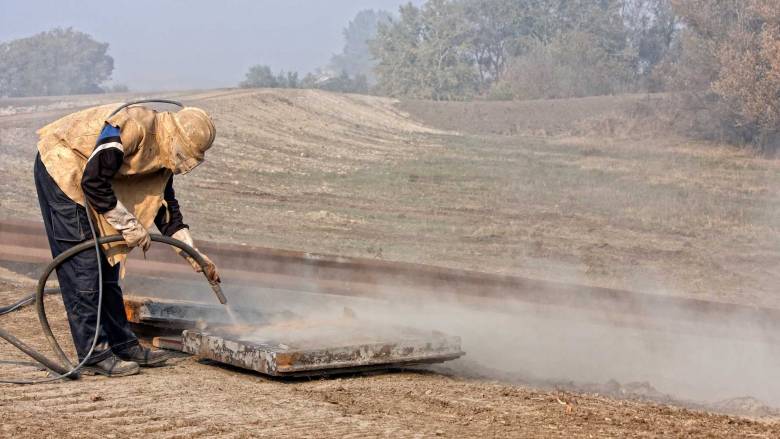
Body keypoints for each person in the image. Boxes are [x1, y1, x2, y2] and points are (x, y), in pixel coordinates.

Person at [34, 102, 220, 377]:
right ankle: (93, 354)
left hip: (94, 183)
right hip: (64, 171)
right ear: (175, 137)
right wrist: (129, 225)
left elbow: (165, 208)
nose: (182, 165)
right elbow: (93, 182)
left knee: (108, 266)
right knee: (84, 267)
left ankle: (123, 344)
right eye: (184, 155)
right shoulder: (132, 128)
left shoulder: (165, 152)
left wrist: (194, 254)